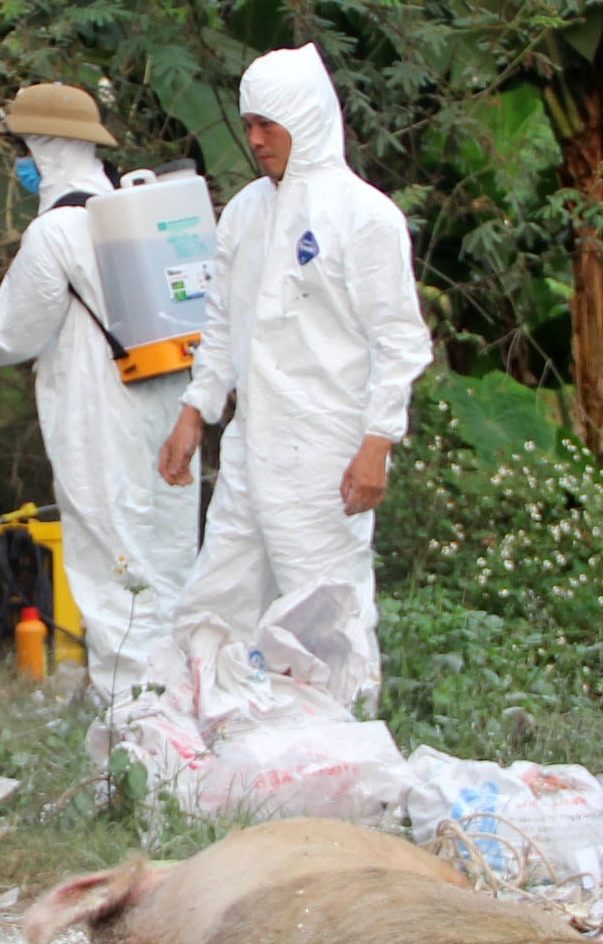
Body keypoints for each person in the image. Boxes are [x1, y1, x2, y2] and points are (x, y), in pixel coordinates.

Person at [157, 44, 432, 709]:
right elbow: (225, 323)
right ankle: (203, 725)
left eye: (267, 126)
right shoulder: (248, 212)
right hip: (254, 442)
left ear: (306, 121)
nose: (254, 140)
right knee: (218, 585)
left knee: (325, 603)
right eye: (248, 125)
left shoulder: (364, 216)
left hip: (326, 449)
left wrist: (378, 443)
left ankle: (346, 743)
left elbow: (399, 338)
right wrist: (196, 411)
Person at [0, 83, 200, 700]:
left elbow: (15, 336)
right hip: (170, 411)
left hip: (101, 414)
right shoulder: (134, 215)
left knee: (110, 559)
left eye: (22, 148)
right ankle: (183, 699)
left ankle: (132, 721)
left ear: (43, 149)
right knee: (169, 557)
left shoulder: (56, 233)